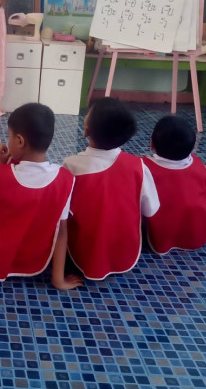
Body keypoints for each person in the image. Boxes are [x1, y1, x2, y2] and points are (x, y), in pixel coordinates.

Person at [0, 103, 83, 290]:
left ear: (20, 141)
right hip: (34, 256)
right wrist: (58, 280)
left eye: (10, 136)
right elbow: (61, 231)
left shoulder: (2, 175)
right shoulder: (65, 179)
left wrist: (1, 165)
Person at [63, 98, 159, 281]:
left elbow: (61, 212)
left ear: (87, 130)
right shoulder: (138, 166)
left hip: (83, 251)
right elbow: (151, 209)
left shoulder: (71, 165)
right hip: (125, 250)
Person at [143, 115, 206, 254]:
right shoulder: (199, 165)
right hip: (198, 235)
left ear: (152, 144)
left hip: (158, 237)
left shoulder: (142, 167)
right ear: (192, 147)